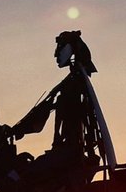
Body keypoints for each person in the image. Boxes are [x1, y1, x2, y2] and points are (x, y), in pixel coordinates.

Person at [11, 31, 116, 177]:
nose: (56, 55)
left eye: (59, 49)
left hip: (69, 151)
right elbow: (47, 106)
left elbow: (52, 108)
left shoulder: (74, 84)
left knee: (27, 173)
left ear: (69, 49)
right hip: (69, 149)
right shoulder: (73, 82)